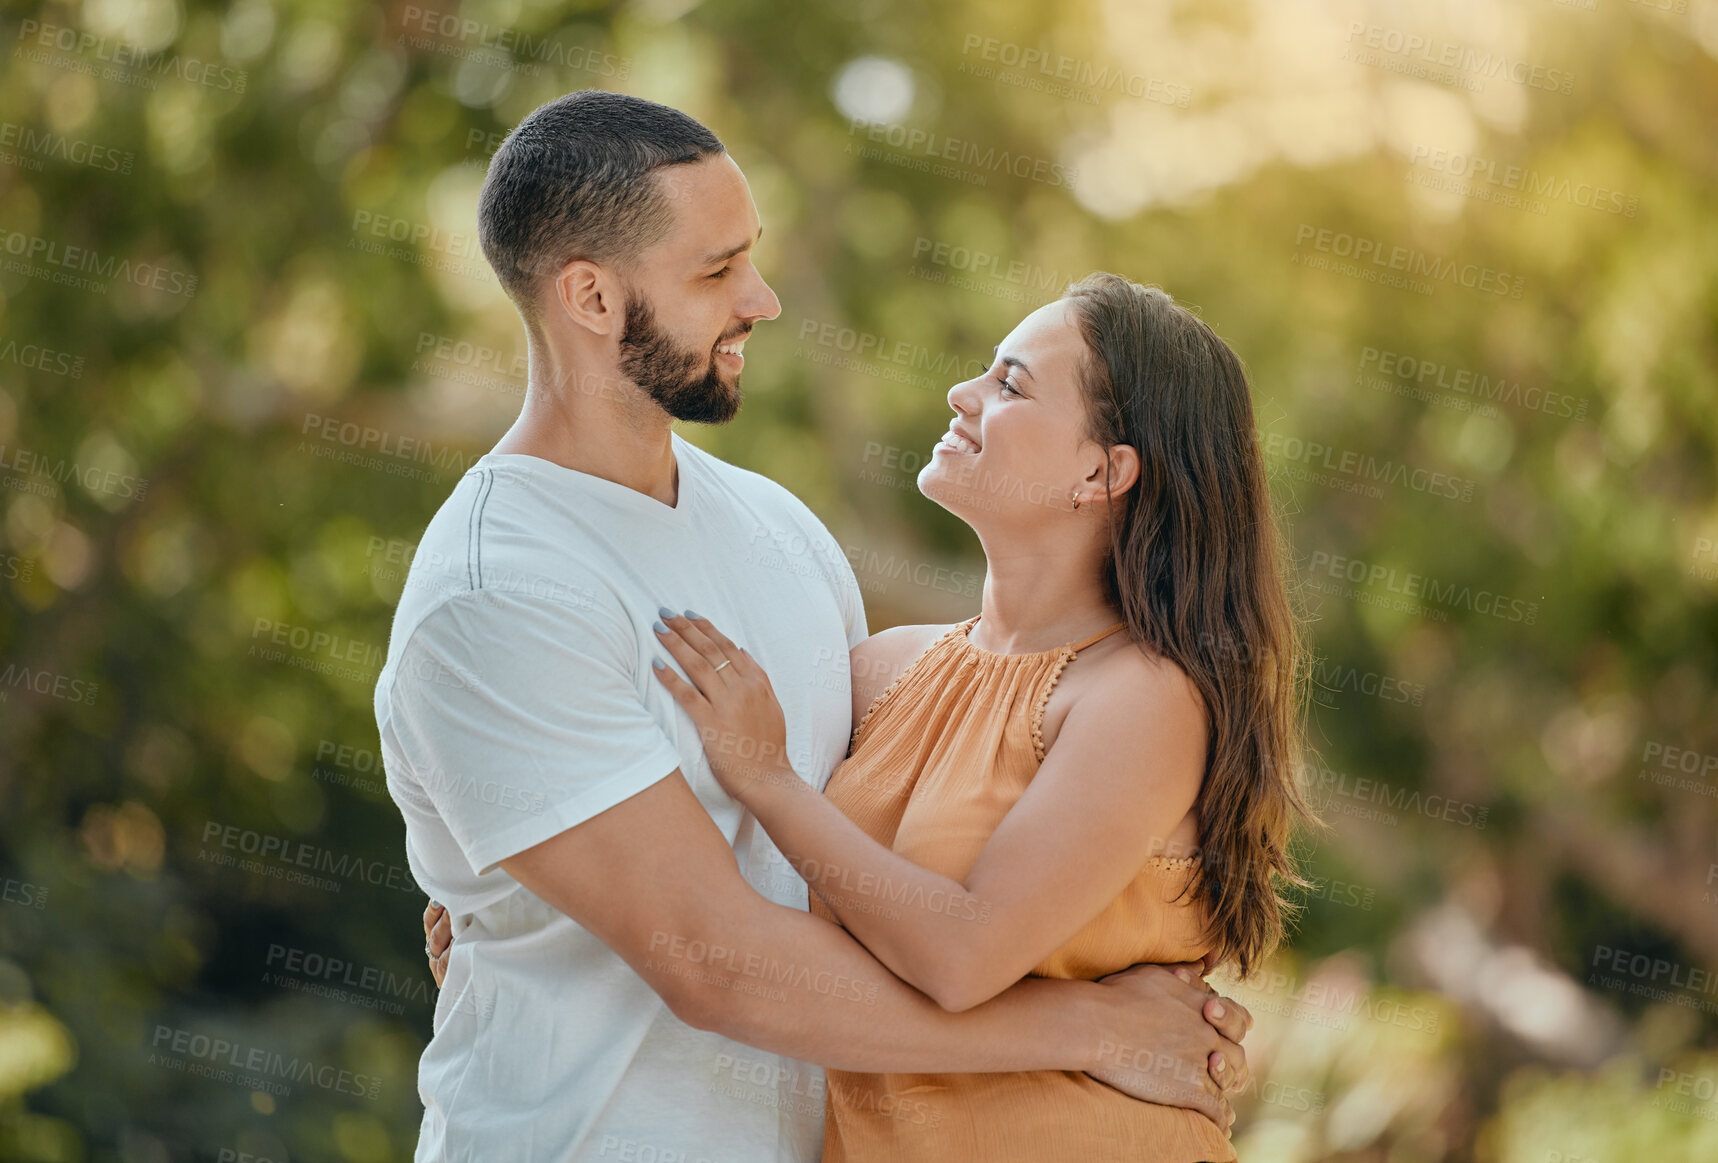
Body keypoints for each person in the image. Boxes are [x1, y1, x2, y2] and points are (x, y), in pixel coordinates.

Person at [382, 89, 1252, 1163]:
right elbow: (716, 958)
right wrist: (1095, 1026)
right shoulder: (500, 589)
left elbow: (873, 871)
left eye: (750, 256)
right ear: (592, 297)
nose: (762, 298)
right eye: (714, 271)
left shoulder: (778, 533)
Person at [638, 273, 1316, 1160]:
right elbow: (740, 903)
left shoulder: (1143, 697)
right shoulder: (883, 668)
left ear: (1102, 471)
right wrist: (529, 920)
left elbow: (962, 955)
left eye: (1010, 384)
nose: (962, 394)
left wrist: (767, 778)